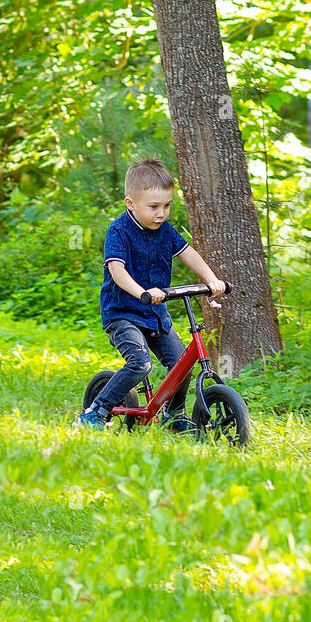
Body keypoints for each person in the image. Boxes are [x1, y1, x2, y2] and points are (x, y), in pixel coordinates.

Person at [74, 157, 226, 430]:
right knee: (140, 363)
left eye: (167, 206)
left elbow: (188, 253)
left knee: (182, 365)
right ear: (130, 203)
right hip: (123, 315)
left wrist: (212, 280)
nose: (162, 213)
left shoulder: (165, 231)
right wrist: (142, 292)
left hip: (155, 314)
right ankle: (95, 411)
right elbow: (117, 270)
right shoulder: (119, 231)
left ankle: (173, 414)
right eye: (154, 207)